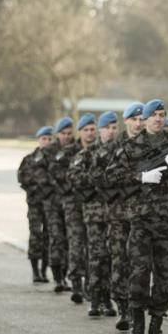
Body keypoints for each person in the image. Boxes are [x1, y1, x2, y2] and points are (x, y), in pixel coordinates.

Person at [107, 99, 168, 334]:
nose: (158, 119)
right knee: (139, 274)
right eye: (153, 115)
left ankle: (156, 329)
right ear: (145, 119)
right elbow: (110, 176)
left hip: (167, 223)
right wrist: (140, 176)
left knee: (163, 278)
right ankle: (137, 326)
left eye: (162, 115)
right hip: (140, 222)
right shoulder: (131, 146)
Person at [68, 111, 119, 316]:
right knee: (96, 256)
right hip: (95, 213)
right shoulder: (89, 154)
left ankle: (110, 299)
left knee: (114, 257)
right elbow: (73, 175)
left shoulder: (121, 152)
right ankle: (96, 299)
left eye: (115, 127)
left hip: (116, 212)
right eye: (108, 128)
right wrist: (98, 181)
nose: (111, 131)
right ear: (101, 130)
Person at [103, 101, 145, 331]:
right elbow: (104, 178)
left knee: (139, 263)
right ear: (126, 121)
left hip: (142, 214)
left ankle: (138, 306)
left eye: (141, 119)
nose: (138, 123)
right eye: (134, 119)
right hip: (119, 213)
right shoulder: (113, 146)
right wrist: (135, 179)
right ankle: (123, 309)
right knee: (119, 260)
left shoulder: (148, 145)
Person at [59, 113, 96, 304]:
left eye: (92, 129)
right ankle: (75, 283)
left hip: (94, 204)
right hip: (73, 204)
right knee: (75, 243)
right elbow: (60, 178)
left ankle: (91, 284)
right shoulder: (69, 152)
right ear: (80, 132)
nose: (90, 133)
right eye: (86, 130)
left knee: (93, 244)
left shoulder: (100, 150)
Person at [35, 117, 75, 293]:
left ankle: (67, 276)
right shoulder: (48, 151)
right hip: (52, 203)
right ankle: (58, 277)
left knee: (69, 240)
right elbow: (38, 174)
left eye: (69, 133)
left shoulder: (76, 149)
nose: (66, 136)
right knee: (56, 238)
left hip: (71, 202)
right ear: (57, 134)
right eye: (63, 133)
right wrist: (57, 187)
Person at [17, 126, 53, 283]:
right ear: (39, 140)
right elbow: (22, 179)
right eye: (43, 139)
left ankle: (45, 271)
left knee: (49, 237)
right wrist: (35, 191)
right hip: (35, 205)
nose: (46, 142)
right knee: (35, 236)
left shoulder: (56, 159)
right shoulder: (29, 159)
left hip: (52, 205)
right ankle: (35, 271)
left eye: (49, 139)